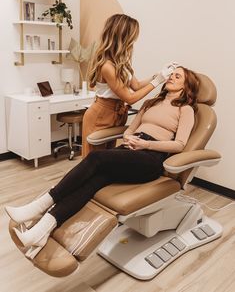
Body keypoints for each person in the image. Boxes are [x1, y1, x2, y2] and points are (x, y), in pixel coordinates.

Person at [5, 66, 199, 259]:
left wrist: (146, 144)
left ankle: (40, 205)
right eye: (171, 74)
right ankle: (42, 230)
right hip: (132, 149)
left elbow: (180, 145)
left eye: (177, 75)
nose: (171, 77)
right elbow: (129, 130)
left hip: (151, 158)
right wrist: (130, 139)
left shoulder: (186, 109)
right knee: (94, 180)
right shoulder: (150, 102)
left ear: (187, 85)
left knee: (95, 158)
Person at [82, 13, 178, 157]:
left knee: (108, 158)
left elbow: (137, 85)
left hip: (117, 113)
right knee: (93, 158)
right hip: (100, 115)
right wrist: (157, 81)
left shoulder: (121, 62)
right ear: (122, 36)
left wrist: (159, 74)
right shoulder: (107, 66)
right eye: (132, 36)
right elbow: (130, 98)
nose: (134, 40)